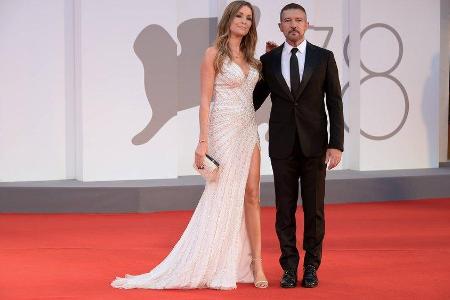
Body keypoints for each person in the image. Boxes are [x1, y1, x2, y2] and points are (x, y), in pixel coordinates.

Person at [111, 1, 268, 290]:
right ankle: (214, 261)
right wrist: (203, 140)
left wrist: (270, 59)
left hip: (249, 129)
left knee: (252, 194)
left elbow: (259, 93)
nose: (244, 21)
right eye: (239, 16)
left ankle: (256, 264)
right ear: (229, 19)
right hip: (223, 129)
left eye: (249, 18)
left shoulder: (254, 60)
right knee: (223, 194)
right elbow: (205, 100)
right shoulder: (212, 54)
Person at [253, 3, 344, 288]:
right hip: (282, 147)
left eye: (298, 20)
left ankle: (312, 267)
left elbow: (335, 103)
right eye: (287, 21)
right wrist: (254, 67)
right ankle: (289, 267)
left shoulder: (324, 58)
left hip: (316, 146)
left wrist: (336, 144)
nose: (293, 24)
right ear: (280, 27)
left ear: (307, 25)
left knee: (315, 210)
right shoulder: (268, 61)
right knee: (284, 210)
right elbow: (254, 100)